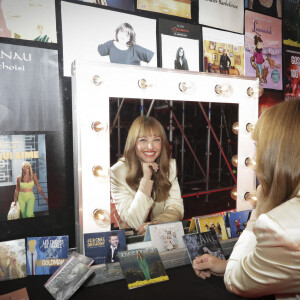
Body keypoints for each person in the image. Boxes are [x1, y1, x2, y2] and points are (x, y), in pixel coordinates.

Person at [192, 100, 300, 299]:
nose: (255, 157)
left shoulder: (281, 227)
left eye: (258, 147)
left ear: (277, 154)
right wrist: (227, 265)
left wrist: (261, 207)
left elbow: (236, 282)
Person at [110, 116, 184, 235]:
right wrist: (146, 178)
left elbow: (176, 208)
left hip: (161, 236)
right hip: (131, 242)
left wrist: (156, 224)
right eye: (143, 140)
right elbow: (134, 221)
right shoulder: (117, 173)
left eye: (156, 140)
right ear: (133, 143)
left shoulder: (169, 167)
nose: (150, 147)